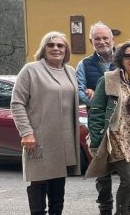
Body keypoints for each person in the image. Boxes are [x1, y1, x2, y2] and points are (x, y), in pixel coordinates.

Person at [11, 31, 81, 215]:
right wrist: (26, 132)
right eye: (51, 45)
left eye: (60, 45)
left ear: (66, 50)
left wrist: (88, 92)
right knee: (39, 182)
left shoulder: (70, 71)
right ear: (44, 49)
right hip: (40, 137)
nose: (56, 48)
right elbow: (17, 103)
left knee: (58, 184)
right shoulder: (31, 70)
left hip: (65, 139)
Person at [85, 40, 130, 215]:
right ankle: (122, 212)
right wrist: (96, 141)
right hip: (118, 138)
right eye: (128, 56)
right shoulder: (109, 79)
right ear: (121, 59)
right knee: (129, 180)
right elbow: (96, 111)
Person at [74, 21, 116, 215]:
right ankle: (105, 207)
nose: (101, 41)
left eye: (105, 38)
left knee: (129, 167)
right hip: (98, 122)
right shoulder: (84, 64)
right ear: (91, 41)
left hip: (123, 122)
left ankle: (128, 206)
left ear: (112, 39)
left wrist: (97, 95)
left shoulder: (124, 59)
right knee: (102, 166)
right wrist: (100, 103)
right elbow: (80, 92)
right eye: (97, 39)